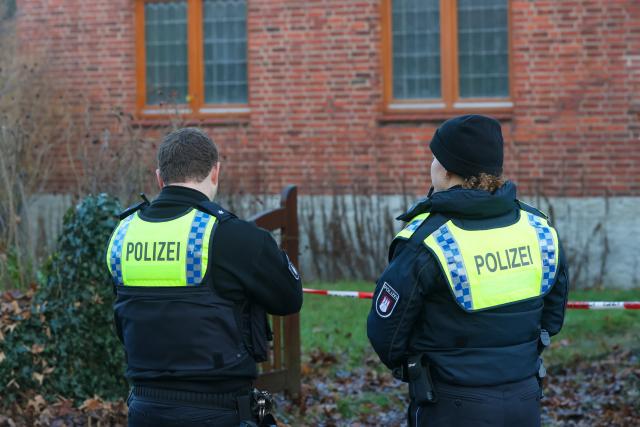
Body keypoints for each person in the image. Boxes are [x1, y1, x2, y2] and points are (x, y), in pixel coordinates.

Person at [367, 115, 569, 427]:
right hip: (525, 398)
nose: (431, 165)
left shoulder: (428, 240)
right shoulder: (538, 228)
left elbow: (387, 335)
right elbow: (553, 318)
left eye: (435, 157)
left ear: (447, 168)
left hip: (451, 403)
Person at [105, 127, 303, 427]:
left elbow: (124, 314)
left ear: (160, 177)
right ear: (215, 172)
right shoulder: (233, 236)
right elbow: (290, 298)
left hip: (144, 408)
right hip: (220, 410)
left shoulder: (123, 235)